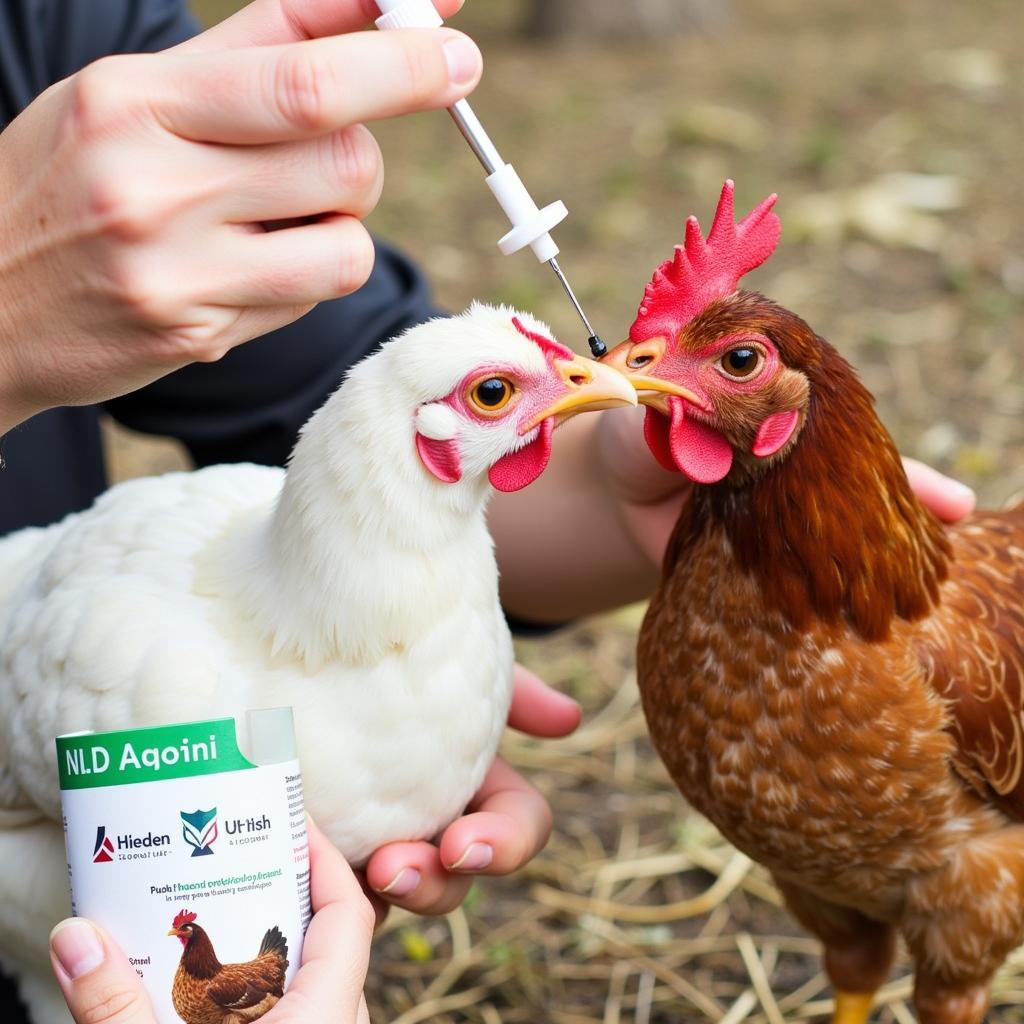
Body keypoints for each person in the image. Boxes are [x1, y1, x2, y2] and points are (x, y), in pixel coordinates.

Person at [0, 1, 976, 1021]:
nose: (593, 380)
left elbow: (325, 387)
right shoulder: (156, 676)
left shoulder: (53, 27)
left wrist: (610, 485)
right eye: (505, 396)